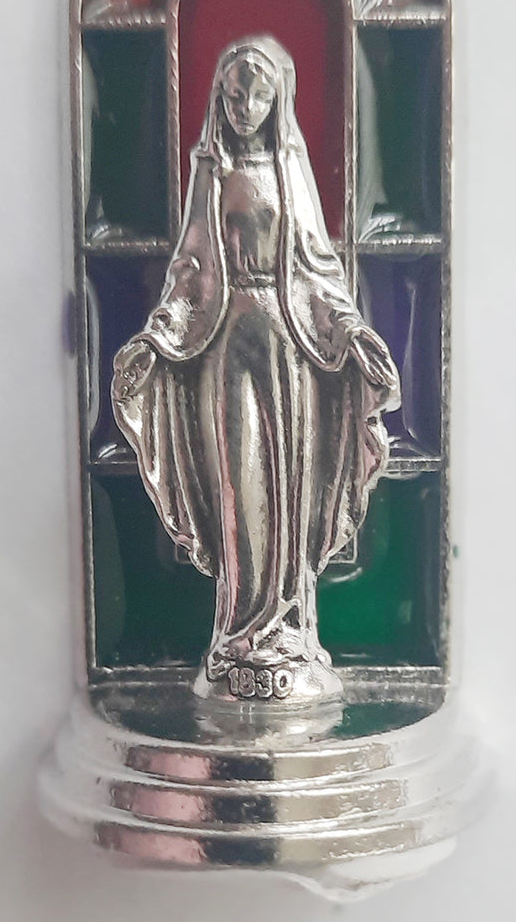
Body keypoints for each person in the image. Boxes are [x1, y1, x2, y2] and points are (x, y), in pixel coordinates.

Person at [112, 35, 400, 700]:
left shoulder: (290, 172)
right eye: (234, 94)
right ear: (220, 97)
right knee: (241, 486)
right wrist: (159, 335)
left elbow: (317, 270)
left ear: (279, 101)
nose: (245, 107)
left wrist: (349, 328)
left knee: (286, 486)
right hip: (225, 348)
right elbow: (189, 272)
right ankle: (238, 634)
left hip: (287, 348)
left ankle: (288, 630)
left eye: (258, 95)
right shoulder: (210, 173)